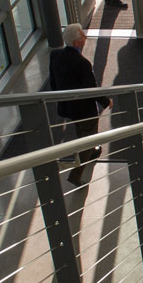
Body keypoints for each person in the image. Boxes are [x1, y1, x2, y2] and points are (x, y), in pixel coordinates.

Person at [49, 24, 111, 185]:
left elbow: (54, 83)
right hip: (84, 109)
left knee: (81, 131)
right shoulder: (82, 63)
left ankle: (91, 152)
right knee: (88, 139)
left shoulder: (55, 56)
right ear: (77, 43)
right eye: (83, 36)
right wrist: (106, 101)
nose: (86, 38)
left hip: (69, 107)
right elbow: (91, 88)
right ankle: (75, 174)